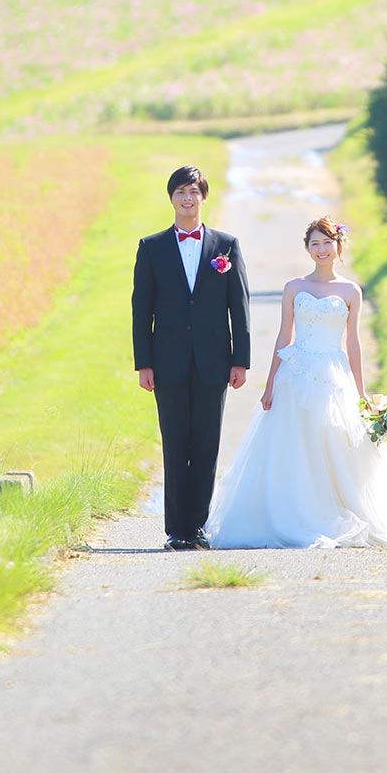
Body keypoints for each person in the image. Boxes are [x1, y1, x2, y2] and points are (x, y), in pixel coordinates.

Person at [206, 217, 387, 550]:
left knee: (334, 445)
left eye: (326, 242)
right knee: (293, 446)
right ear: (307, 248)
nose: (321, 249)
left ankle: (334, 513)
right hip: (296, 374)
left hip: (333, 376)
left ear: (338, 246)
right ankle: (292, 514)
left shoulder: (350, 291)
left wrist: (361, 392)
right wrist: (270, 383)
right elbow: (283, 335)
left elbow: (353, 343)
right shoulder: (293, 287)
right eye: (314, 243)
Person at [131, 165, 249, 551]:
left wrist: (240, 360)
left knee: (206, 445)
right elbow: (141, 308)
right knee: (175, 443)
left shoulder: (226, 245)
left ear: (203, 197)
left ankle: (197, 527)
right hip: (167, 363)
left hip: (215, 361)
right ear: (171, 198)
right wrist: (143, 362)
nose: (187, 198)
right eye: (180, 191)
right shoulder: (151, 247)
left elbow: (239, 305)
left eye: (193, 192)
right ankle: (175, 530)